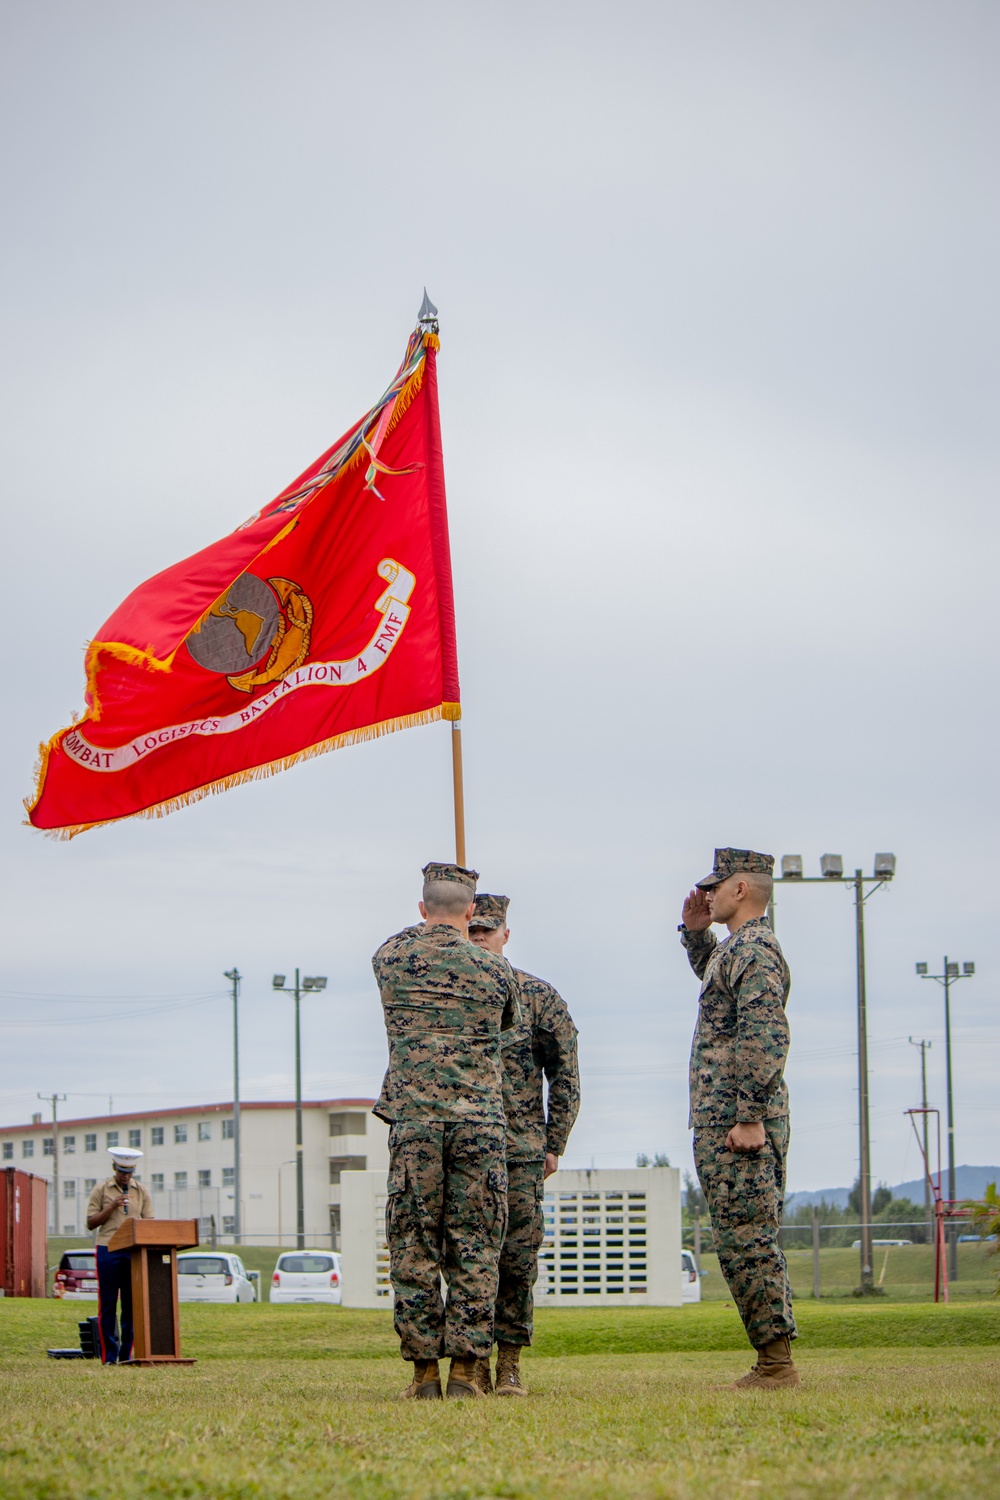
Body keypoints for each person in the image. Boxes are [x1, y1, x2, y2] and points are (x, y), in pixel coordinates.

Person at [372, 861, 519, 1399]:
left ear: (420, 907)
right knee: (476, 1245)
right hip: (479, 1124)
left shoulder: (390, 956)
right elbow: (506, 1025)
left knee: (413, 1245)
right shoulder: (496, 970)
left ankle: (422, 1376)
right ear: (473, 912)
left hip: (414, 1121)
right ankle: (464, 1372)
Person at [679, 847, 798, 1389]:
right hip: (723, 1118)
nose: (708, 893)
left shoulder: (756, 952)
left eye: (715, 886)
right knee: (739, 1239)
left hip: (739, 1122)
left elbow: (764, 1035)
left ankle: (776, 1364)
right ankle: (771, 1359)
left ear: (741, 889)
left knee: (749, 1240)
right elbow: (716, 986)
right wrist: (696, 935)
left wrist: (750, 1115)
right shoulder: (736, 950)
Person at [468, 893, 580, 1397]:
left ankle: (509, 1363)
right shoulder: (447, 996)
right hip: (463, 1150)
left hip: (519, 1154)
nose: (478, 941)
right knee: (466, 1258)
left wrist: (554, 1141)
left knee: (516, 1260)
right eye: (471, 932)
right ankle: (470, 1363)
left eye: (486, 933)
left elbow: (566, 1074)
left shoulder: (538, 997)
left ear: (505, 936)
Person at [86, 1147, 154, 1364]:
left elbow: (149, 1223)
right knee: (107, 1303)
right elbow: (91, 1222)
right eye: (121, 1171)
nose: (125, 1176)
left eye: (129, 1172)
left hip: (132, 1251)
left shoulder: (141, 1191)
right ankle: (109, 1356)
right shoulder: (101, 1189)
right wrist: (113, 1206)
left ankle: (126, 1354)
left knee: (131, 1304)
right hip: (108, 1249)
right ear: (114, 1168)